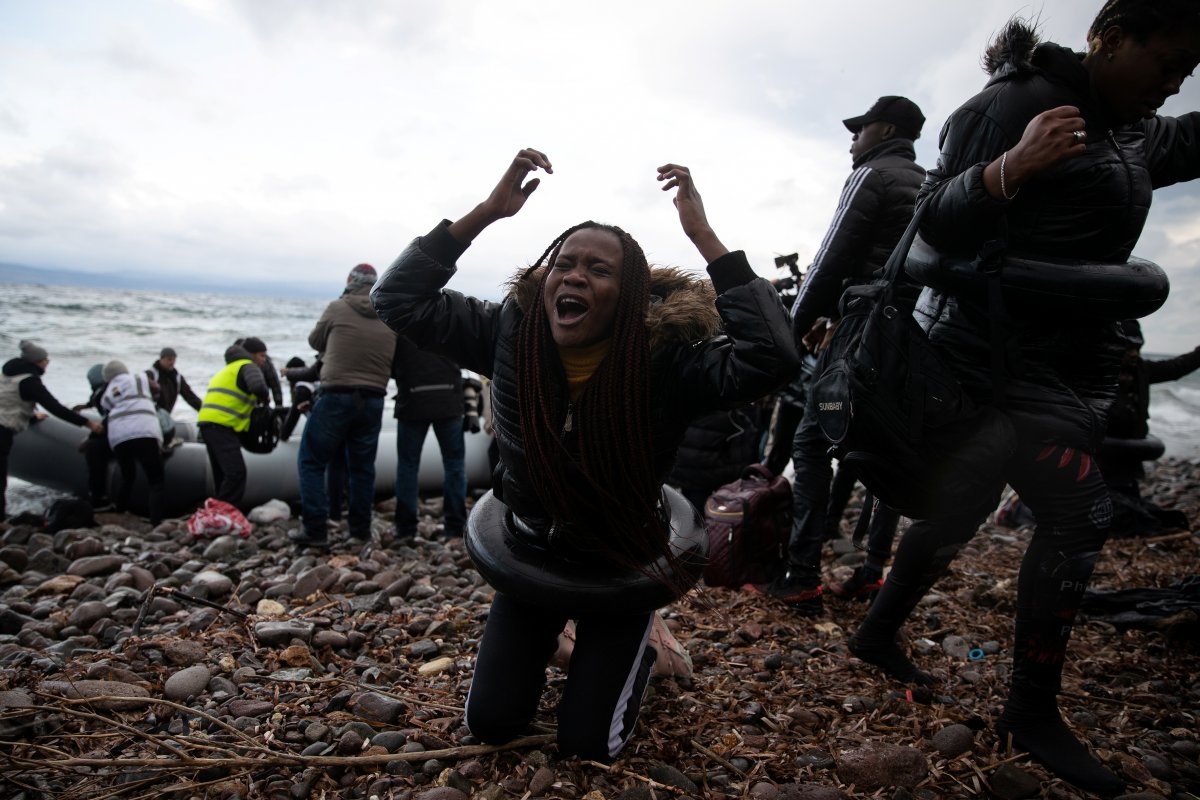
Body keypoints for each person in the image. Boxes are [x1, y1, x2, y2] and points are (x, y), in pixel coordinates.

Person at [847, 4, 1200, 795]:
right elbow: (931, 220)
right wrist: (1012, 168)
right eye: (1167, 61)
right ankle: (1030, 710)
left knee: (963, 506)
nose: (1174, 83)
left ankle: (875, 634)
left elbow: (1181, 142)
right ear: (1111, 38)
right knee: (1081, 516)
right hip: (985, 362)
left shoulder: (1136, 127)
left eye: (1188, 72)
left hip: (1068, 362)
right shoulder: (1012, 105)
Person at [371, 149, 797, 761]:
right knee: (491, 725)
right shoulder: (506, 333)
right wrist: (488, 213)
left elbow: (773, 358)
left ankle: (640, 650)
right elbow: (398, 299)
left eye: (597, 270)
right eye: (563, 264)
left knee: (591, 745)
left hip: (623, 561)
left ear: (628, 296)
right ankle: (560, 639)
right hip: (531, 554)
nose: (573, 276)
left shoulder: (670, 362)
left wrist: (706, 239)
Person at [764, 95, 926, 615]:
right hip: (907, 343)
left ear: (886, 129)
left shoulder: (872, 176)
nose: (852, 137)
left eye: (861, 128)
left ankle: (803, 574)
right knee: (885, 453)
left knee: (811, 444)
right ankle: (873, 571)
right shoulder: (926, 182)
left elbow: (831, 260)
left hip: (857, 344)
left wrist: (789, 333)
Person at [288, 264, 397, 548]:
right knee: (362, 468)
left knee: (312, 460)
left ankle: (315, 529)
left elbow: (314, 340)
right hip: (374, 398)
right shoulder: (388, 314)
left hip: (336, 393)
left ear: (350, 281)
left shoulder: (337, 307)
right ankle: (359, 530)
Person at [0, 340, 104, 522]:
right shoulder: (29, 381)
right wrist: (87, 423)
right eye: (45, 359)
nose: (48, 362)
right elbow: (54, 407)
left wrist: (31, 416)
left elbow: (8, 401)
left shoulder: (8, 374)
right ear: (36, 362)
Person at [391, 335, 468, 540]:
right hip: (449, 400)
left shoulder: (402, 326)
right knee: (454, 465)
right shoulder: (448, 322)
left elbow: (390, 363)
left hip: (412, 401)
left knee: (408, 466)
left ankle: (405, 528)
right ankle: (455, 526)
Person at [197, 338, 271, 507]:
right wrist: (265, 398)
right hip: (221, 425)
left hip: (207, 423)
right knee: (236, 472)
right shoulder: (248, 366)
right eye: (262, 355)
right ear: (251, 355)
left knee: (222, 474)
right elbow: (258, 386)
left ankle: (216, 515)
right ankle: (224, 514)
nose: (264, 360)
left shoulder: (228, 369)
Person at [99, 361, 164, 524]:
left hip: (119, 436)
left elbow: (105, 409)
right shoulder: (139, 378)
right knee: (155, 479)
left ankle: (120, 509)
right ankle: (156, 520)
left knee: (128, 476)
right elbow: (157, 388)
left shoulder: (107, 392)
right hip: (144, 430)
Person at [146, 347, 203, 414]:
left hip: (166, 417)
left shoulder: (177, 378)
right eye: (169, 359)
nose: (172, 362)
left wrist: (205, 410)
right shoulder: (150, 375)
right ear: (161, 359)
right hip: (150, 415)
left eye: (174, 360)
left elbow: (191, 397)